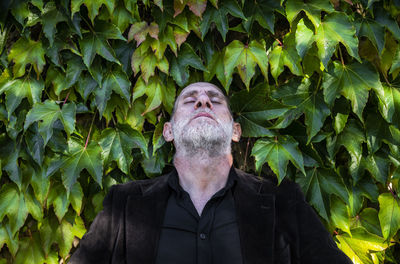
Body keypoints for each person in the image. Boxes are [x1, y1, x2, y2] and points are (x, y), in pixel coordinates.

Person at [70, 82, 353, 264]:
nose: (203, 102)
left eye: (215, 100)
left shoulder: (282, 201)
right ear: (168, 131)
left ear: (236, 132)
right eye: (189, 99)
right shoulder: (123, 203)